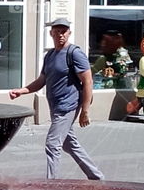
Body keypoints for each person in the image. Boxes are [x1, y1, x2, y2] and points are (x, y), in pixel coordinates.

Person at [9, 17, 104, 180]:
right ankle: (96, 176)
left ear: (69, 33)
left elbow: (88, 81)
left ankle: (51, 183)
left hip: (68, 106)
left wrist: (85, 111)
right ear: (51, 33)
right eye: (57, 31)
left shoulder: (75, 53)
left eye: (64, 31)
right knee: (69, 144)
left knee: (53, 144)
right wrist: (22, 91)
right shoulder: (50, 55)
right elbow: (41, 80)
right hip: (55, 106)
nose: (60, 35)